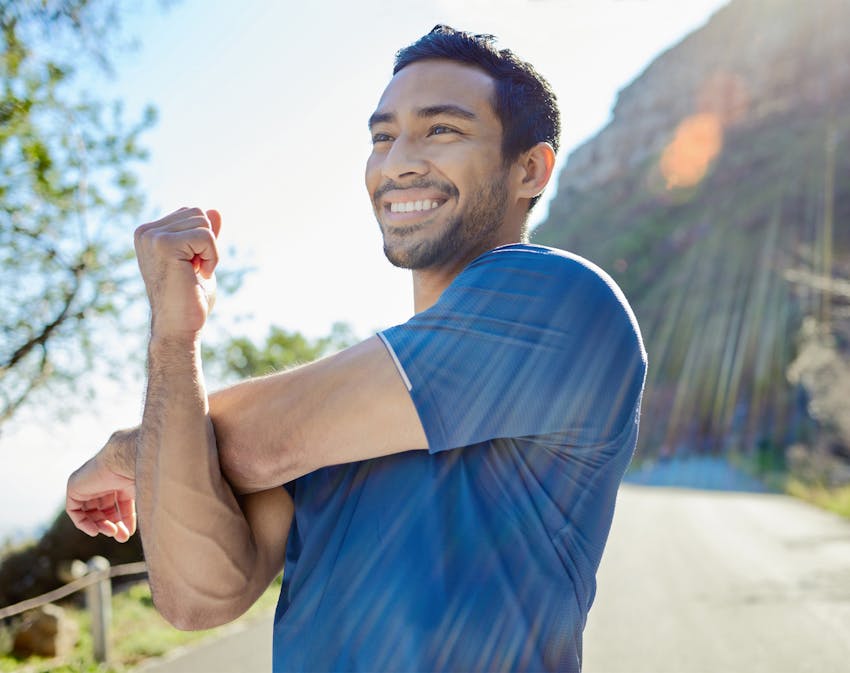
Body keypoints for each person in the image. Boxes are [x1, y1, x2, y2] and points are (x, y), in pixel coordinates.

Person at [66, 25, 646, 672]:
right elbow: (197, 597)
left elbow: (260, 443)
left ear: (529, 169)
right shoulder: (343, 407)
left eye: (442, 129)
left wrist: (128, 452)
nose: (397, 163)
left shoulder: (558, 299)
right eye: (382, 137)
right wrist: (174, 339)